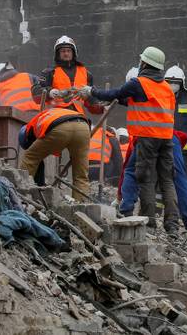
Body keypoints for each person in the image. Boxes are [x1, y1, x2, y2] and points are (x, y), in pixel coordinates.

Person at [76, 47, 180, 231]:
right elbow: (141, 102)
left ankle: (149, 223)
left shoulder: (139, 83)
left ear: (145, 63)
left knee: (145, 179)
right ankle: (172, 224)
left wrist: (91, 91)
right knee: (166, 180)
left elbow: (116, 93)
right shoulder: (165, 88)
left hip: (147, 138)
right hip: (166, 139)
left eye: (141, 61)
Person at [119, 124, 187, 228]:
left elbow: (127, 170)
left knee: (136, 174)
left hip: (147, 135)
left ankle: (131, 215)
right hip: (169, 137)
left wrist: (121, 196)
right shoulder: (174, 139)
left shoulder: (136, 138)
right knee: (178, 178)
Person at [19, 107, 92, 198]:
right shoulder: (44, 116)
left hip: (60, 127)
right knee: (81, 174)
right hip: (83, 126)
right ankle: (81, 206)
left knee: (30, 157)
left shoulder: (30, 129)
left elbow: (35, 154)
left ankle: (22, 194)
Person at [32, 36, 101, 116]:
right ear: (58, 54)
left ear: (73, 53)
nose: (66, 53)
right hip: (55, 116)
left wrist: (101, 106)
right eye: (63, 51)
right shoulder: (49, 72)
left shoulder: (86, 73)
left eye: (68, 51)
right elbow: (35, 93)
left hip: (78, 117)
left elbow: (92, 101)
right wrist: (50, 92)